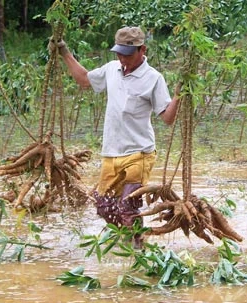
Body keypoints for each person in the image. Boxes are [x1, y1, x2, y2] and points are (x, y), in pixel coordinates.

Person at [49, 26, 180, 245]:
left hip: (139, 153)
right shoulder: (112, 69)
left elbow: (167, 118)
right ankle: (132, 239)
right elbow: (83, 80)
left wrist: (178, 97)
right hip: (111, 152)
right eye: (119, 53)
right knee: (103, 205)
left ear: (142, 50)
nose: (122, 58)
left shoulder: (153, 78)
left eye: (127, 54)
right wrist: (63, 51)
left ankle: (136, 250)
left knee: (128, 205)